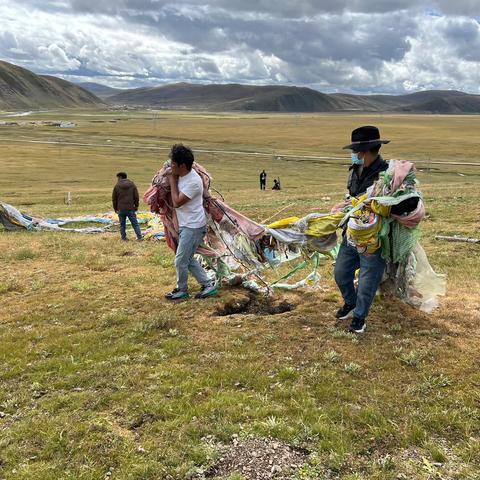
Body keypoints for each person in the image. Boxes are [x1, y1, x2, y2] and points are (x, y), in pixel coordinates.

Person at [334, 126, 390, 333]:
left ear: (363, 151)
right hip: (351, 230)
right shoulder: (354, 170)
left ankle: (360, 317)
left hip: (374, 236)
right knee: (341, 272)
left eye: (355, 151)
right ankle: (351, 303)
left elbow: (391, 204)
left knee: (368, 277)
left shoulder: (386, 175)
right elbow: (351, 196)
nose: (353, 155)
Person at [165, 144, 217, 300]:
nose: (171, 166)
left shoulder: (193, 182)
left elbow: (177, 202)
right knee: (188, 258)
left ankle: (182, 290)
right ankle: (208, 285)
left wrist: (172, 180)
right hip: (186, 224)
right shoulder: (183, 174)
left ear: (182, 165)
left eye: (173, 164)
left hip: (193, 226)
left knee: (180, 260)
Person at [112, 172, 143, 241]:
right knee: (135, 224)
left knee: (122, 225)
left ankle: (123, 238)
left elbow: (114, 199)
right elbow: (136, 197)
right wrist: (136, 206)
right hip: (130, 208)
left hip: (121, 208)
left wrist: (115, 208)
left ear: (120, 177)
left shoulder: (117, 186)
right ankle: (140, 237)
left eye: (118, 178)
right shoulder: (132, 185)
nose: (117, 179)